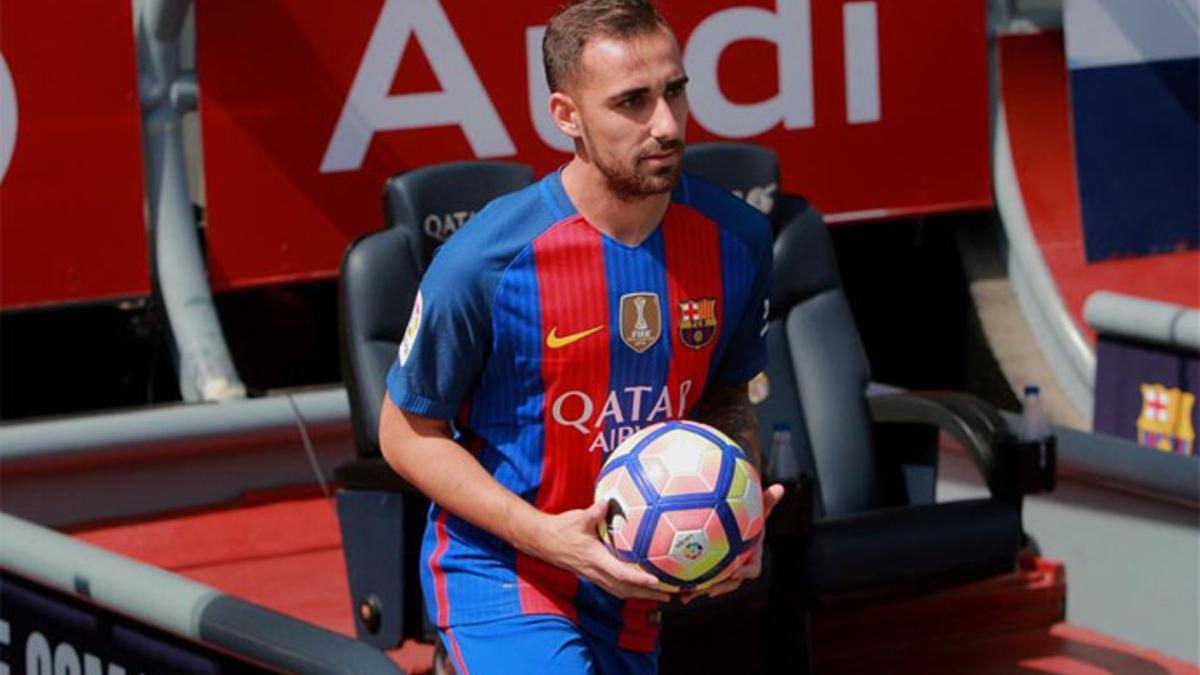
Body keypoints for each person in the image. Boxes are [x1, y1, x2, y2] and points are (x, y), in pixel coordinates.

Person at [379, 1, 784, 672]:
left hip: (634, 586)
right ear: (567, 115)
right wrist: (547, 536)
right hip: (504, 572)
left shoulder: (736, 240)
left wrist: (735, 517)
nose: (665, 124)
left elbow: (724, 394)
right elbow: (404, 431)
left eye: (674, 92)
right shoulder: (485, 260)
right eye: (631, 102)